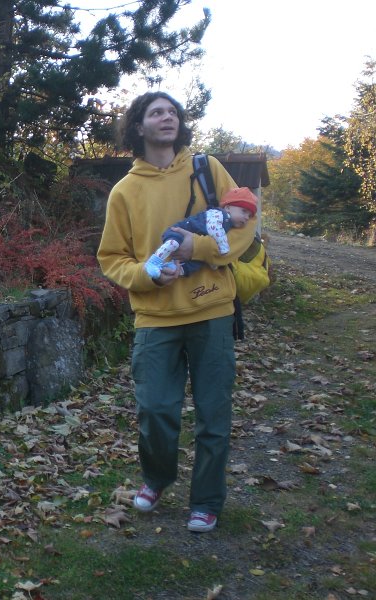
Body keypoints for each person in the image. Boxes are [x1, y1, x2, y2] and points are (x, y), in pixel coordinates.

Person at [96, 91, 255, 533]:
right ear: (138, 127)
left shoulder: (208, 170)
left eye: (172, 112)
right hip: (155, 319)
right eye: (156, 112)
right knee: (155, 411)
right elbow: (112, 258)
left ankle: (206, 501)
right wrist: (147, 275)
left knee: (213, 415)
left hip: (212, 311)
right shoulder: (125, 191)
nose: (167, 117)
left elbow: (246, 222)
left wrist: (198, 247)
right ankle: (157, 478)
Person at [144, 187, 259, 278]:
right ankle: (155, 261)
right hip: (179, 231)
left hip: (205, 288)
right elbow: (213, 229)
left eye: (249, 215)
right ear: (228, 207)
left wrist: (212, 258)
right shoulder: (219, 214)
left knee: (198, 263)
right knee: (173, 243)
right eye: (244, 211)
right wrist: (222, 246)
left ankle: (175, 270)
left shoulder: (230, 225)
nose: (247, 217)